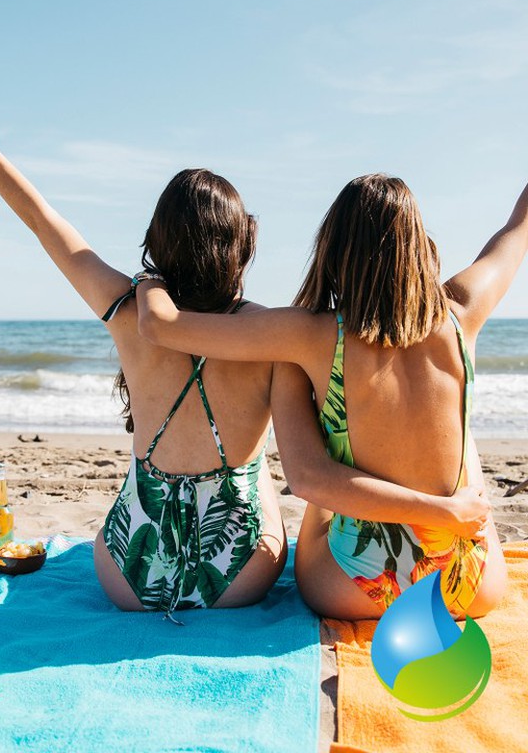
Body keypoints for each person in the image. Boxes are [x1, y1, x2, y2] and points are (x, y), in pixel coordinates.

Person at [0, 86, 489, 621]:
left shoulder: (127, 310)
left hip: (129, 577)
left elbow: (43, 222)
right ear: (244, 243)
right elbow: (310, 470)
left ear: (156, 239)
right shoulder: (273, 337)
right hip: (240, 578)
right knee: (270, 489)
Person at [136, 172, 526, 619]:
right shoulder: (464, 311)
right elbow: (517, 228)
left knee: (322, 459)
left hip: (356, 588)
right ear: (419, 244)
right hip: (469, 586)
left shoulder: (310, 334)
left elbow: (160, 326)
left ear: (333, 247)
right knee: (464, 437)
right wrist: (447, 511)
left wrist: (151, 275)